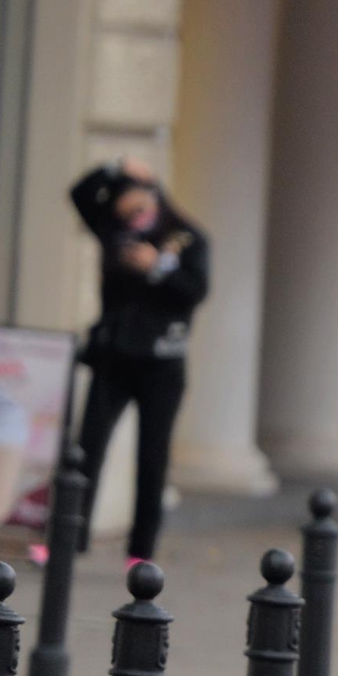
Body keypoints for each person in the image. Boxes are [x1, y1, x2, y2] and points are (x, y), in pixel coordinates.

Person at [68, 158, 209, 561]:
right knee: (86, 449)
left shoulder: (185, 238)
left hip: (162, 363)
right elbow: (79, 195)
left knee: (152, 457)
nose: (130, 211)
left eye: (137, 200)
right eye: (122, 202)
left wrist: (159, 267)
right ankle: (70, 537)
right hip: (113, 358)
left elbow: (196, 290)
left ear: (153, 196)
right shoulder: (115, 235)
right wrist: (114, 169)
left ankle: (141, 551)